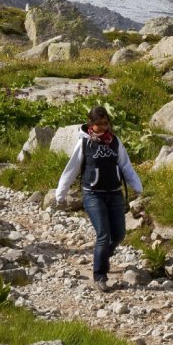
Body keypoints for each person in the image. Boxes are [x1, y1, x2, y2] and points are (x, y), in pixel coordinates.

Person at [54, 104, 143, 292]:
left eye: (105, 123)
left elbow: (125, 166)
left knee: (118, 235)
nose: (103, 127)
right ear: (90, 124)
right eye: (98, 124)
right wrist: (60, 193)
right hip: (92, 194)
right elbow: (72, 169)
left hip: (115, 193)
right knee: (104, 234)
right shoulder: (84, 143)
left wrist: (137, 186)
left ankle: (102, 256)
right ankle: (100, 276)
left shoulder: (115, 142)